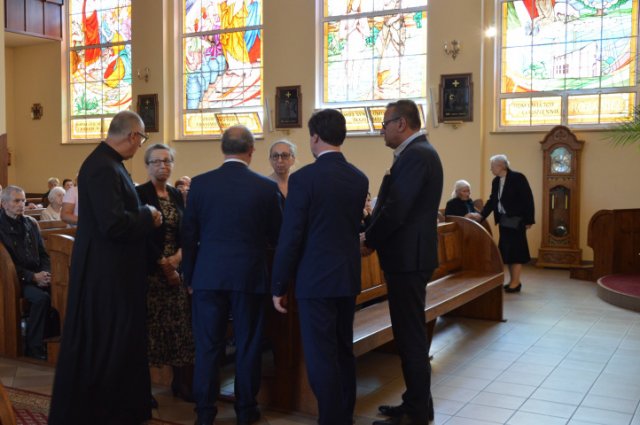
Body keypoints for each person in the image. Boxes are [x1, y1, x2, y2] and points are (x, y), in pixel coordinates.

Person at [48, 110, 163, 425]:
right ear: (132, 135)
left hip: (114, 272)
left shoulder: (110, 164)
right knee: (107, 344)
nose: (140, 145)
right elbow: (112, 223)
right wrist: (147, 214)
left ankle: (120, 410)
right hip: (106, 275)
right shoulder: (102, 167)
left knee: (118, 344)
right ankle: (103, 412)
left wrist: (141, 213)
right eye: (141, 139)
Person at [271, 109, 368, 425]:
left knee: (320, 355)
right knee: (343, 350)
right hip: (347, 277)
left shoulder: (303, 179)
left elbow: (292, 235)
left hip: (315, 280)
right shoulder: (358, 178)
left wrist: (278, 284)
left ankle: (331, 419)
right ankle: (345, 416)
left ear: (314, 137)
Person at [182, 125, 282, 425]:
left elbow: (189, 235)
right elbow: (277, 235)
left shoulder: (200, 184)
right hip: (248, 277)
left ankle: (204, 412)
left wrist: (190, 277)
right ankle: (245, 410)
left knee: (207, 346)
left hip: (208, 276)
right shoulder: (265, 187)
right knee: (248, 345)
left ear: (222, 148)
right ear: (251, 150)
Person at [361, 99, 443, 425]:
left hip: (409, 258)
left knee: (410, 337)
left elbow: (396, 208)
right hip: (409, 256)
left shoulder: (417, 155)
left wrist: (369, 240)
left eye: (384, 124)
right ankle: (417, 403)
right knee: (410, 334)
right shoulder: (417, 153)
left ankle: (416, 413)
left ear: (401, 124)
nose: (381, 130)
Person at [135, 144, 195, 405]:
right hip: (151, 271)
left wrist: (178, 258)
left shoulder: (175, 193)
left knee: (179, 328)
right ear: (147, 165)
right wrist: (164, 264)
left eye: (168, 161)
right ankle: (143, 391)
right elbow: (141, 235)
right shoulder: (139, 193)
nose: (163, 166)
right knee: (150, 331)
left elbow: (186, 230)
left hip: (176, 269)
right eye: (157, 161)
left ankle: (181, 384)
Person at [0, 185, 51, 361]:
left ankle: (53, 342)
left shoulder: (31, 223)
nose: (21, 204)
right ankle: (33, 347)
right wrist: (32, 277)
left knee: (64, 290)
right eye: (16, 201)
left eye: (23, 200)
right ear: (4, 204)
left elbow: (44, 254)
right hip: (13, 280)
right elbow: (5, 265)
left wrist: (45, 273)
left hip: (37, 275)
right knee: (41, 298)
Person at [478, 154, 534, 293]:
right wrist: (481, 215)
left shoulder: (518, 178)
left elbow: (528, 199)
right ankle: (513, 281)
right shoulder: (496, 181)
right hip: (504, 220)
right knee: (508, 252)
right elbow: (492, 200)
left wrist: (529, 220)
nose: (491, 170)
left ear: (502, 166)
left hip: (517, 220)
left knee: (516, 251)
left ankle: (516, 282)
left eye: (492, 167)